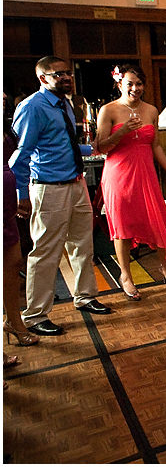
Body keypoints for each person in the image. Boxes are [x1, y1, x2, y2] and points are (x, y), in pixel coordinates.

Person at [10, 56, 112, 336]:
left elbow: (61, 145)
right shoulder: (32, 107)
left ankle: (85, 296)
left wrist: (90, 150)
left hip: (75, 183)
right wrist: (19, 193)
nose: (66, 77)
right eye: (58, 74)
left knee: (82, 244)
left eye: (68, 72)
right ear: (43, 78)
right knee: (45, 252)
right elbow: (21, 155)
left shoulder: (66, 103)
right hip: (48, 188)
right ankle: (34, 315)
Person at [94, 66, 166, 300]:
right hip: (118, 176)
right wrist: (121, 131)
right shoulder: (108, 110)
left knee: (157, 221)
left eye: (139, 84)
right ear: (119, 84)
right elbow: (101, 147)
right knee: (122, 227)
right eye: (130, 83)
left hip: (145, 175)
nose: (135, 88)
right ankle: (126, 275)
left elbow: (154, 145)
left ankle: (165, 267)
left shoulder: (151, 110)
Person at [3, 94, 39, 348]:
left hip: (6, 205)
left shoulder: (5, 123)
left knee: (14, 263)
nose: (4, 95)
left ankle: (13, 321)